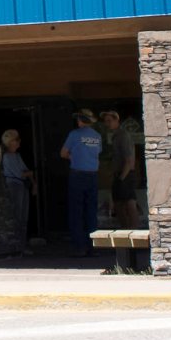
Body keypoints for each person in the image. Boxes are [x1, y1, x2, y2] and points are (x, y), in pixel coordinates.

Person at [60, 108, 102, 256]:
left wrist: (73, 157)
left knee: (76, 211)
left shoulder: (74, 134)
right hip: (93, 175)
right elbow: (97, 153)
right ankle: (93, 246)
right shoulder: (97, 136)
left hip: (78, 175)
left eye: (78, 118)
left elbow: (63, 153)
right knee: (91, 211)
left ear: (80, 120)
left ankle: (80, 246)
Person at [0, 129, 33, 252]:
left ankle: (21, 244)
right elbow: (20, 173)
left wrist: (29, 176)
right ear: (11, 142)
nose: (19, 142)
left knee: (23, 216)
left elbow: (25, 171)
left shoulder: (16, 155)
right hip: (14, 186)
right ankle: (17, 245)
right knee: (17, 216)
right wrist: (29, 174)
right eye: (17, 140)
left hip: (21, 186)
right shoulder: (8, 157)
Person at [102, 110, 139, 229]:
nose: (107, 123)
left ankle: (135, 233)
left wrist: (122, 177)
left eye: (109, 121)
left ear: (116, 120)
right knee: (118, 204)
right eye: (105, 121)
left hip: (126, 174)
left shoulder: (123, 135)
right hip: (119, 174)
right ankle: (126, 231)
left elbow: (129, 160)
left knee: (129, 203)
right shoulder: (115, 136)